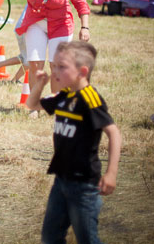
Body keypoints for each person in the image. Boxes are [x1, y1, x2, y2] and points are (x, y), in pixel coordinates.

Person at [26, 41, 121, 244]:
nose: (55, 71)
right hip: (61, 180)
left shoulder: (89, 98)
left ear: (82, 72)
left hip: (84, 185)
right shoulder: (64, 96)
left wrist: (111, 173)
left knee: (87, 239)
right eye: (54, 66)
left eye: (62, 67)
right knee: (50, 238)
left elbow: (113, 133)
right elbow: (32, 104)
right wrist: (40, 84)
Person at [3, 0, 90, 91]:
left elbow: (80, 2)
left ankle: (58, 100)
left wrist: (85, 27)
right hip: (36, 23)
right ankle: (34, 102)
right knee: (35, 65)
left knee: (57, 66)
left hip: (61, 24)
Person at [0, 5, 28, 84]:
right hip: (25, 28)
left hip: (26, 27)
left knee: (24, 57)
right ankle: (14, 81)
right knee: (31, 59)